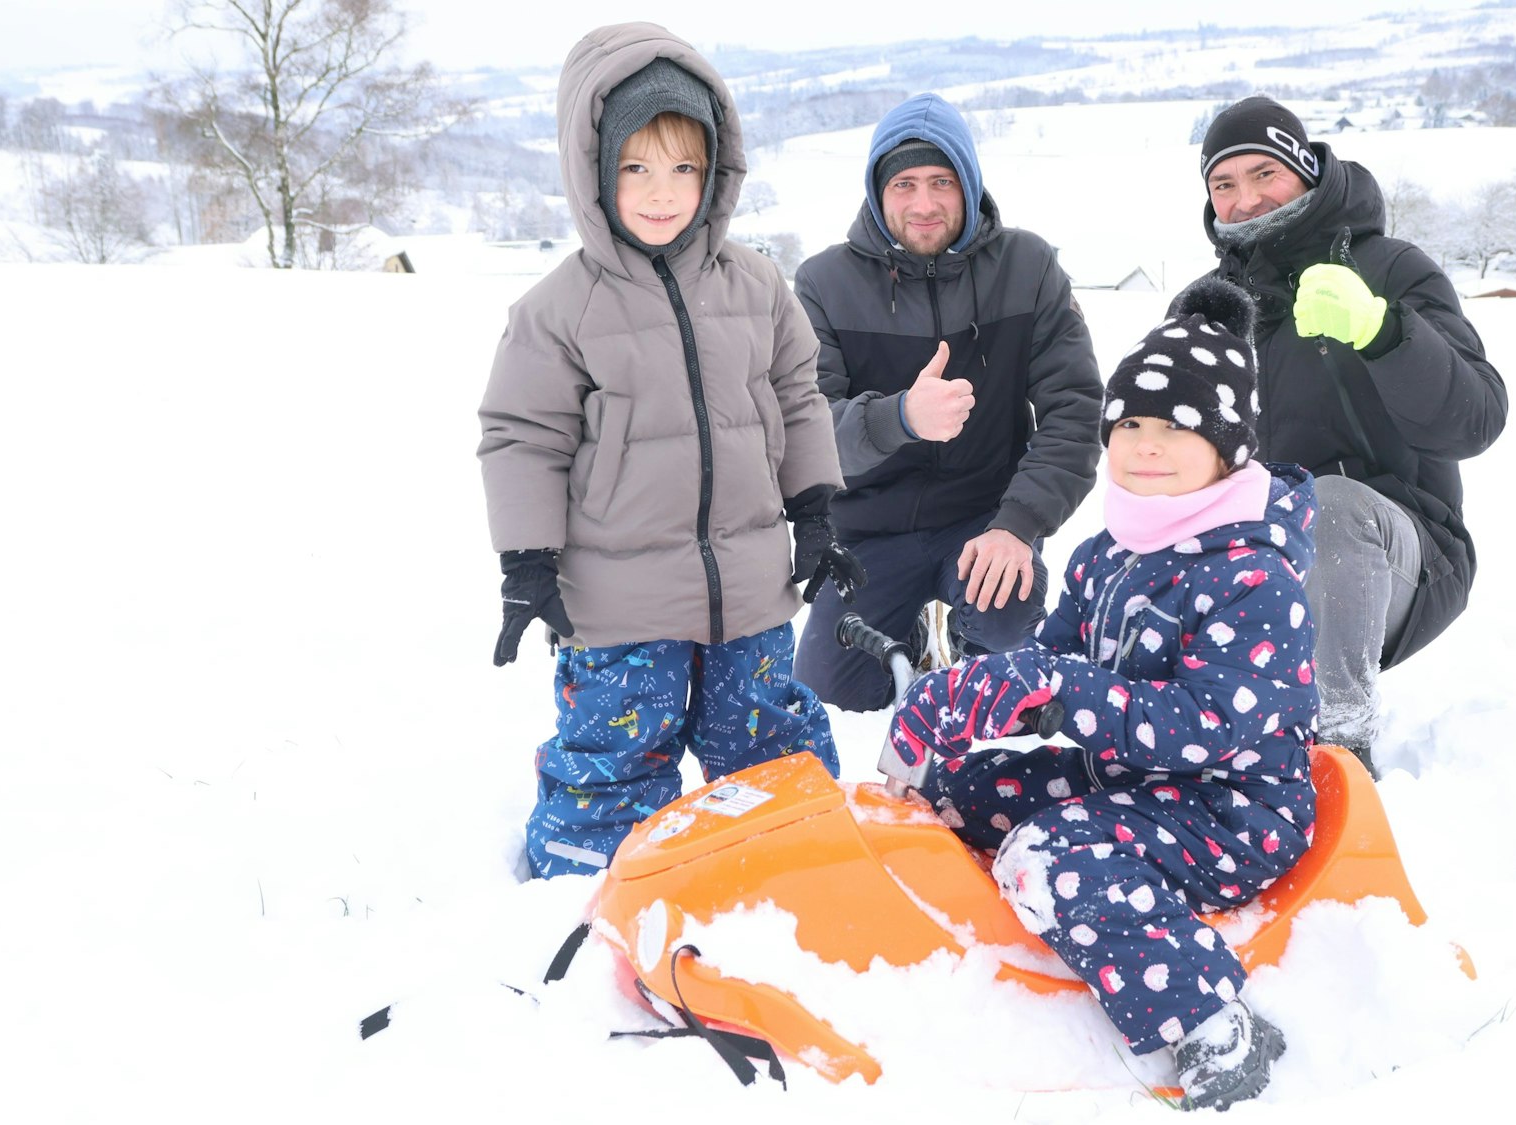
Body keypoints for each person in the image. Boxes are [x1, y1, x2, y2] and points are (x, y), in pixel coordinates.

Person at [888, 279, 1317, 1111]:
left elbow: (1200, 730)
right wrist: (978, 694)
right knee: (965, 788)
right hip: (1129, 776)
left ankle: (1215, 1026)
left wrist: (1060, 689)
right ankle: (962, 936)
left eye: (1174, 428)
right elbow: (1053, 661)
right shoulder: (1110, 550)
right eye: (1129, 425)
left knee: (1057, 852)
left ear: (1228, 449)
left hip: (1229, 809)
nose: (1145, 447)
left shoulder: (1256, 577)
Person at [476, 24, 864, 880]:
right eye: (636, 168)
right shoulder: (559, 309)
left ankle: (794, 874)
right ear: (594, 171)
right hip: (620, 600)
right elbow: (521, 436)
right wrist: (528, 561)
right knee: (614, 757)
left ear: (715, 171)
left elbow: (798, 399)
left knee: (767, 748)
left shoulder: (756, 284)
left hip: (752, 587)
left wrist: (815, 509)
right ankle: (590, 895)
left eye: (685, 168)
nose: (663, 193)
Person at [1184, 95, 1507, 774]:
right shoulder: (1206, 307)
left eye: (1263, 173)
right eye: (1224, 185)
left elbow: (1477, 418)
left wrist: (1383, 331)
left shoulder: (1390, 267)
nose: (1244, 200)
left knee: (1325, 504)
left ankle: (1338, 754)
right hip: (1260, 565)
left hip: (1401, 554)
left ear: (1304, 169)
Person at [791, 92, 1103, 711]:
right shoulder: (824, 285)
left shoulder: (1028, 267)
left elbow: (1075, 411)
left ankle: (964, 637)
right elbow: (805, 431)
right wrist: (897, 418)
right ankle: (909, 631)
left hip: (984, 521)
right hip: (870, 532)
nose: (925, 204)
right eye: (904, 183)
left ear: (969, 185)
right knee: (828, 691)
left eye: (942, 181)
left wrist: (1019, 525)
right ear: (878, 192)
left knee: (1007, 632)